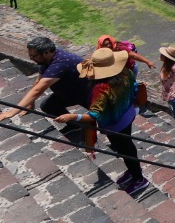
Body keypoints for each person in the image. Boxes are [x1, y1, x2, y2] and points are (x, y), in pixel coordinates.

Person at [53, 47, 147, 194]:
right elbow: (134, 88)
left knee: (125, 149)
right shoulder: (125, 72)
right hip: (127, 114)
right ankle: (133, 170)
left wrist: (72, 117)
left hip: (115, 124)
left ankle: (139, 179)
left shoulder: (102, 89)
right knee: (127, 147)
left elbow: (94, 115)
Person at [0, 36, 92, 126]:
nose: (31, 59)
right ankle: (76, 125)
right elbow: (38, 81)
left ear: (46, 52)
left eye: (34, 56)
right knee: (48, 106)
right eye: (30, 56)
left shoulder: (61, 63)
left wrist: (12, 112)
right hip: (70, 92)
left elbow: (38, 90)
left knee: (104, 122)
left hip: (89, 93)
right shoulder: (46, 60)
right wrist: (30, 104)